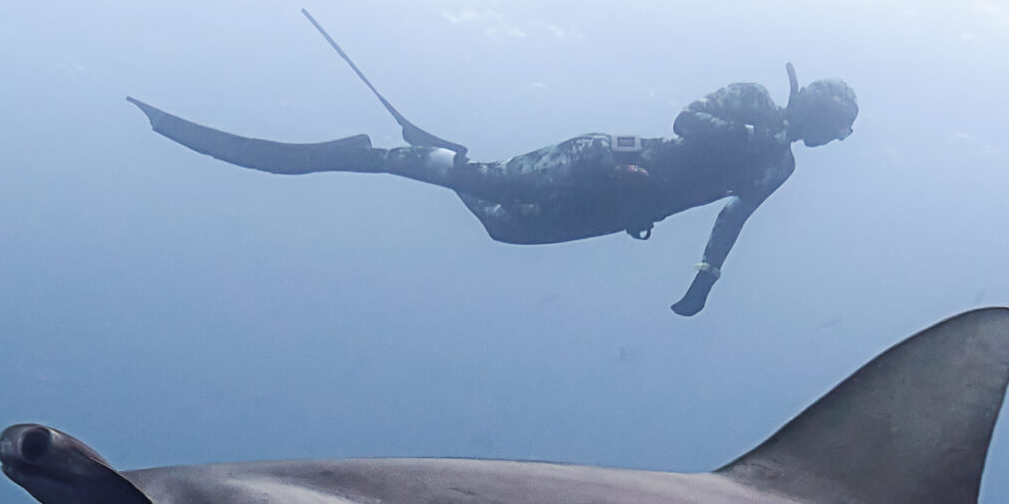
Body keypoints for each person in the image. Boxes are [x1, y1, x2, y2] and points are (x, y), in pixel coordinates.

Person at [127, 63, 857, 316]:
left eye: (832, 133)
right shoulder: (753, 102)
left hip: (625, 210)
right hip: (601, 161)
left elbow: (732, 219)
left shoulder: (779, 168)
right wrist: (748, 133)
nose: (823, 137)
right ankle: (373, 157)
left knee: (504, 227)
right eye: (828, 123)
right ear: (812, 107)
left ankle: (440, 156)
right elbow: (686, 121)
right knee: (493, 180)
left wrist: (704, 280)